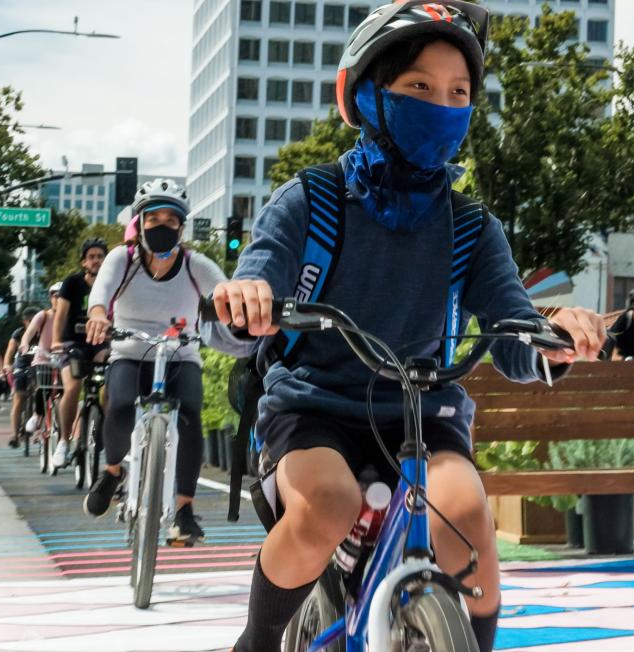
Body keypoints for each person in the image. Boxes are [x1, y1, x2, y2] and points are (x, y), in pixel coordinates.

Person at [206, 4, 605, 650]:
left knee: (468, 514)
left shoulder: (473, 228)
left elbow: (511, 328)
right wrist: (246, 300)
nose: (441, 105)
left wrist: (549, 336)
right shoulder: (312, 201)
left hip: (423, 415)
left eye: (459, 94)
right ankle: (255, 641)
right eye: (418, 88)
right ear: (364, 95)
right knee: (328, 505)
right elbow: (251, 298)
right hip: (313, 409)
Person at [83, 178, 233, 545]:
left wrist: (234, 309)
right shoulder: (123, 259)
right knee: (118, 405)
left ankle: (184, 510)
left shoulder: (195, 265)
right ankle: (114, 470)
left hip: (181, 352)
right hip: (130, 351)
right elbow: (101, 293)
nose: (161, 226)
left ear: (182, 227)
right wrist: (99, 314)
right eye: (153, 219)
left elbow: (225, 292)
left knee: (191, 415)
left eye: (171, 220)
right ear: (140, 222)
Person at [49, 238, 110, 467]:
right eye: (91, 257)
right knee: (73, 386)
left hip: (102, 343)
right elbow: (61, 315)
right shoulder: (72, 283)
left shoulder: (114, 283)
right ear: (84, 262)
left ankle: (102, 432)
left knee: (110, 386)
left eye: (100, 256)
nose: (96, 260)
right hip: (72, 344)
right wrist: (56, 341)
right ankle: (64, 442)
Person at [21, 284, 65, 453]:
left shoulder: (69, 315)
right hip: (43, 357)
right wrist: (25, 343)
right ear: (50, 298)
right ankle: (38, 415)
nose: (58, 299)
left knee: (66, 392)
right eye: (55, 295)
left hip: (64, 359)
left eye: (61, 296)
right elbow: (30, 331)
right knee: (42, 388)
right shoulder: (43, 315)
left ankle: (63, 433)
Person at [4, 307, 41, 447]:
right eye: (30, 321)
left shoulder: (42, 331)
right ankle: (14, 434)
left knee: (42, 396)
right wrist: (7, 364)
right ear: (24, 321)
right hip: (22, 367)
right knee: (18, 399)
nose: (33, 323)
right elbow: (10, 351)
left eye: (36, 320)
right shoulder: (18, 333)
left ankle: (40, 433)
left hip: (39, 366)